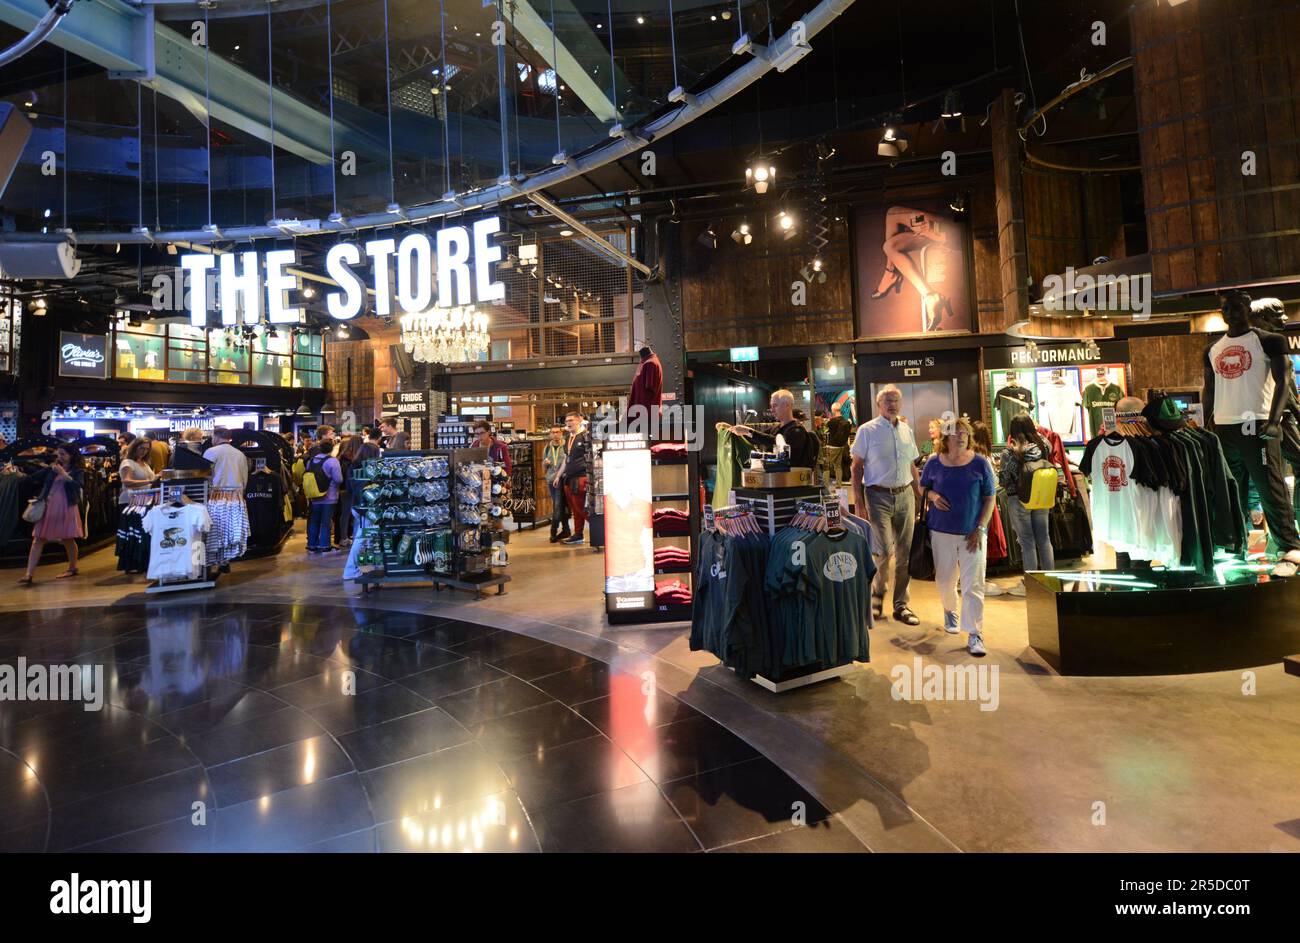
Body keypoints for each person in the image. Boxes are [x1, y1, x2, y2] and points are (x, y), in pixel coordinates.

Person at [920, 417, 997, 656]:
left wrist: (981, 527)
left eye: (965, 432)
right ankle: (949, 609)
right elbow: (923, 487)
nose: (961, 436)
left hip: (972, 533)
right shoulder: (934, 462)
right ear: (946, 437)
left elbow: (990, 497)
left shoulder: (980, 463)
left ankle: (975, 633)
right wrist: (932, 496)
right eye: (956, 432)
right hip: (940, 530)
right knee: (945, 580)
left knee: (973, 583)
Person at [850, 385, 922, 625]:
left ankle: (901, 605)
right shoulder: (867, 430)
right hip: (877, 496)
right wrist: (858, 501)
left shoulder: (906, 431)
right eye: (888, 400)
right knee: (883, 551)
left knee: (905, 553)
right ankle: (877, 595)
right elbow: (856, 467)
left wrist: (919, 492)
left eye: (896, 400)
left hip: (905, 496)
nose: (892, 404)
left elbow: (912, 465)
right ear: (879, 404)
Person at [996, 413, 1056, 596]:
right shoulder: (1044, 444)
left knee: (1027, 542)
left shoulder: (1010, 452)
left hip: (1019, 498)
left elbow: (1005, 479)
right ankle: (1050, 581)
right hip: (1042, 495)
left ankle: (1031, 584)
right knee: (1044, 539)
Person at [868, 205, 954, 332]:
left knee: (890, 246)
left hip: (948, 230)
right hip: (941, 225)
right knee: (892, 215)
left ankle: (928, 295)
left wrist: (930, 233)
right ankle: (892, 271)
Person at [19, 445, 86, 583]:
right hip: (48, 506)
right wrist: (17, 473)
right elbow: (31, 478)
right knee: (38, 538)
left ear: (71, 455)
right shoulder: (52, 468)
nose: (59, 457)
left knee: (67, 539)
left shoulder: (77, 470)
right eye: (58, 454)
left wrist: (64, 474)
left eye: (62, 454)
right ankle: (28, 574)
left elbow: (78, 486)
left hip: (66, 507)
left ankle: (72, 568)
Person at [728, 389, 820, 470]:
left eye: (775, 405)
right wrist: (731, 429)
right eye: (771, 406)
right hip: (775, 479)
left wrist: (748, 431)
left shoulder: (797, 430)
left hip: (790, 483)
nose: (772, 410)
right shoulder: (776, 427)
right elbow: (759, 438)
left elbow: (776, 443)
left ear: (787, 405)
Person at [304, 430, 343, 553]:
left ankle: (311, 545)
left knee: (314, 520)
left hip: (314, 496)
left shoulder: (311, 461)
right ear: (331, 449)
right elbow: (338, 479)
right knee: (326, 522)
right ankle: (324, 545)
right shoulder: (333, 461)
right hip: (329, 496)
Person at [557, 411, 590, 545]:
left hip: (581, 478)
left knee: (581, 508)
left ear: (579, 420)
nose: (568, 423)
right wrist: (558, 475)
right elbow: (566, 458)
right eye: (566, 421)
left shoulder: (585, 436)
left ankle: (602, 530)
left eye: (571, 420)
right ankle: (578, 534)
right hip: (568, 478)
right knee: (575, 509)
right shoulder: (568, 438)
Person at [542, 424, 570, 543]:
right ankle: (561, 531)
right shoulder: (547, 448)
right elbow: (543, 467)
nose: (555, 434)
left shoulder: (566, 446)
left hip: (564, 479)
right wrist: (546, 463)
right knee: (559, 505)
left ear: (561, 433)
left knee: (561, 506)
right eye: (553, 432)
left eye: (557, 432)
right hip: (551, 481)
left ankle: (559, 530)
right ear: (550, 434)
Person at [336, 434, 363, 546]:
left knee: (345, 513)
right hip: (352, 488)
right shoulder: (356, 458)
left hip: (343, 488)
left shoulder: (342, 457)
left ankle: (344, 537)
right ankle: (347, 537)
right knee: (351, 513)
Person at [118, 437, 156, 503]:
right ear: (134, 448)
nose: (144, 451)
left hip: (142, 500)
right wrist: (150, 481)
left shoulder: (144, 463)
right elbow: (127, 482)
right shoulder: (128, 462)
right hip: (130, 501)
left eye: (147, 449)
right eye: (142, 448)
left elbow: (150, 479)